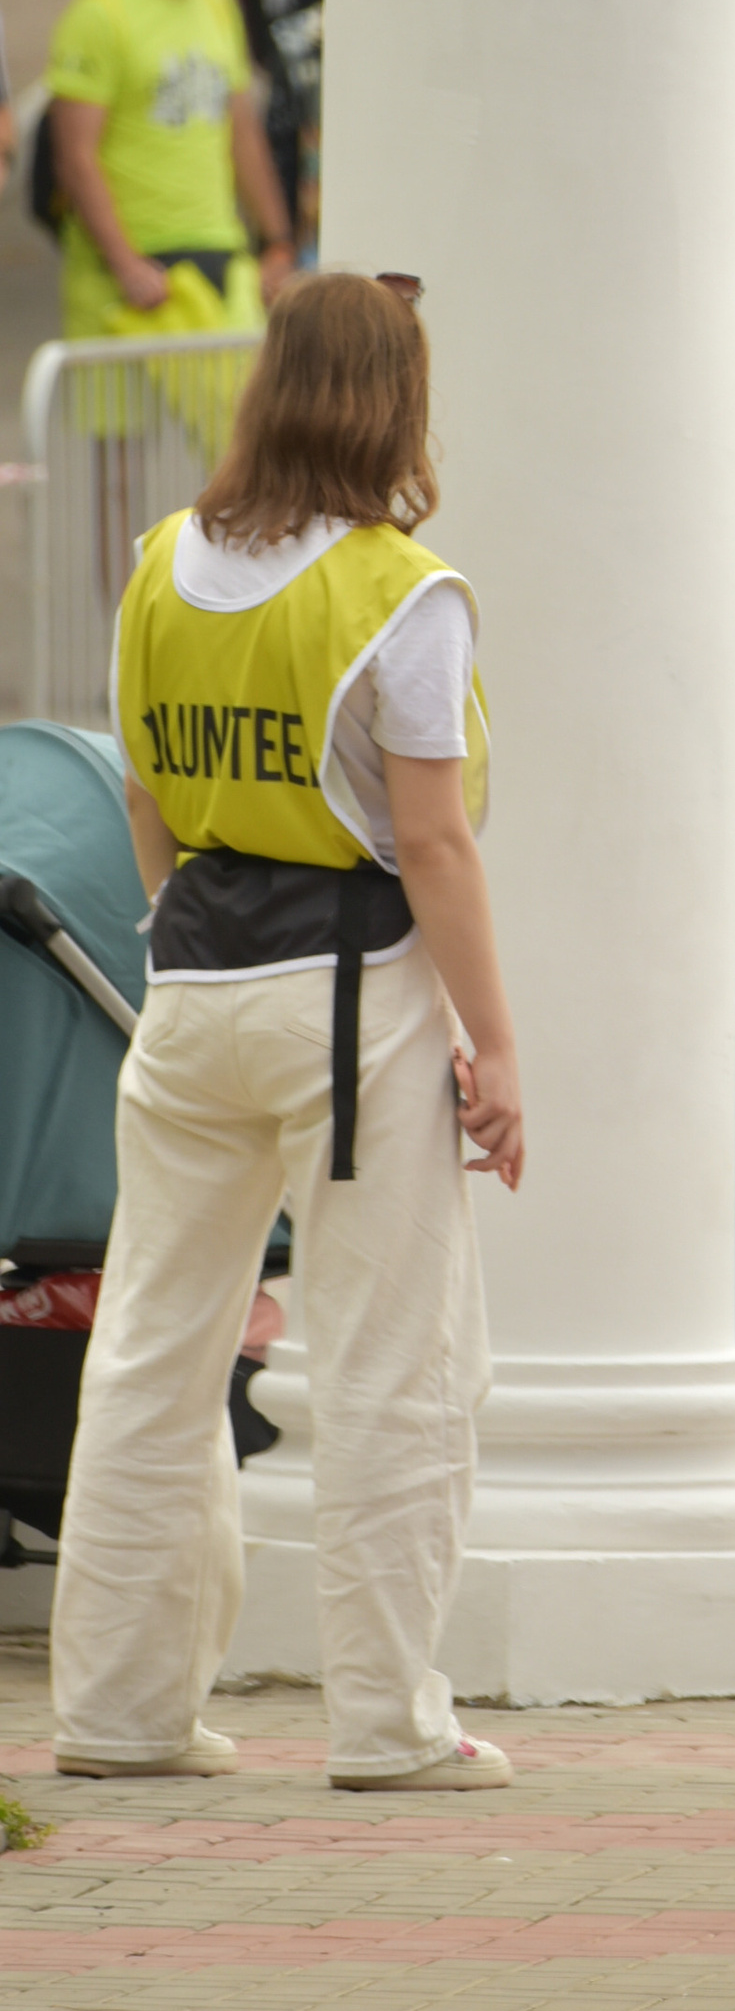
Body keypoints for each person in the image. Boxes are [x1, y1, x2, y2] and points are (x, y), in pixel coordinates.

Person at [49, 272, 523, 1789]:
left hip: (190, 977)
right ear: (397, 401)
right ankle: (390, 1721)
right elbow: (433, 843)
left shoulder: (160, 560)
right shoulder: (402, 591)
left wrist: (187, 937)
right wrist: (497, 1046)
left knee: (150, 1352)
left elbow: (143, 791)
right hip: (352, 991)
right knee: (394, 1360)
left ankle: (118, 1713)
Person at [45, 0, 296, 342]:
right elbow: (75, 157)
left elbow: (243, 134)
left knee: (241, 394)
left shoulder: (218, 5)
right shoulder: (101, 14)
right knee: (128, 401)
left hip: (219, 254)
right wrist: (125, 263)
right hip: (133, 273)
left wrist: (278, 242)